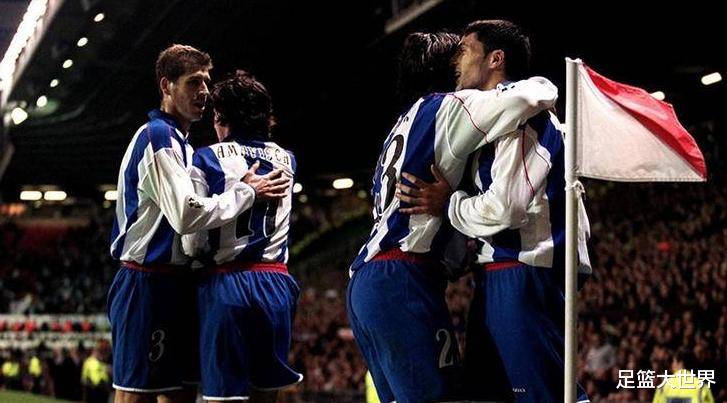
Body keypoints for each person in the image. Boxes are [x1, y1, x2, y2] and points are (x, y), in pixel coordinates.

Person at [347, 30, 558, 403]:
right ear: (450, 68)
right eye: (459, 54)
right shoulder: (452, 105)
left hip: (368, 282)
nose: (463, 60)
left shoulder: (403, 123)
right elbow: (526, 97)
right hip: (401, 278)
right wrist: (546, 84)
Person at [396, 20, 592, 402]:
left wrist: (448, 204)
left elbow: (505, 208)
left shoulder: (520, 114)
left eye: (465, 50)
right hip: (500, 271)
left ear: (495, 59)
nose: (456, 60)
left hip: (524, 268)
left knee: (543, 394)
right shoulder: (492, 116)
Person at [108, 44, 285, 403]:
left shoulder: (185, 146)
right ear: (166, 85)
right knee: (136, 393)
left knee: (180, 392)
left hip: (181, 281)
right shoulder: (157, 136)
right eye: (193, 82)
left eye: (206, 81)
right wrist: (246, 192)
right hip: (146, 280)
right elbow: (186, 215)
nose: (203, 91)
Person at [182, 70, 298, 403]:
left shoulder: (205, 158)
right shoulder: (288, 159)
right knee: (266, 395)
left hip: (225, 282)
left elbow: (192, 241)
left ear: (221, 117)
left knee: (224, 397)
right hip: (276, 283)